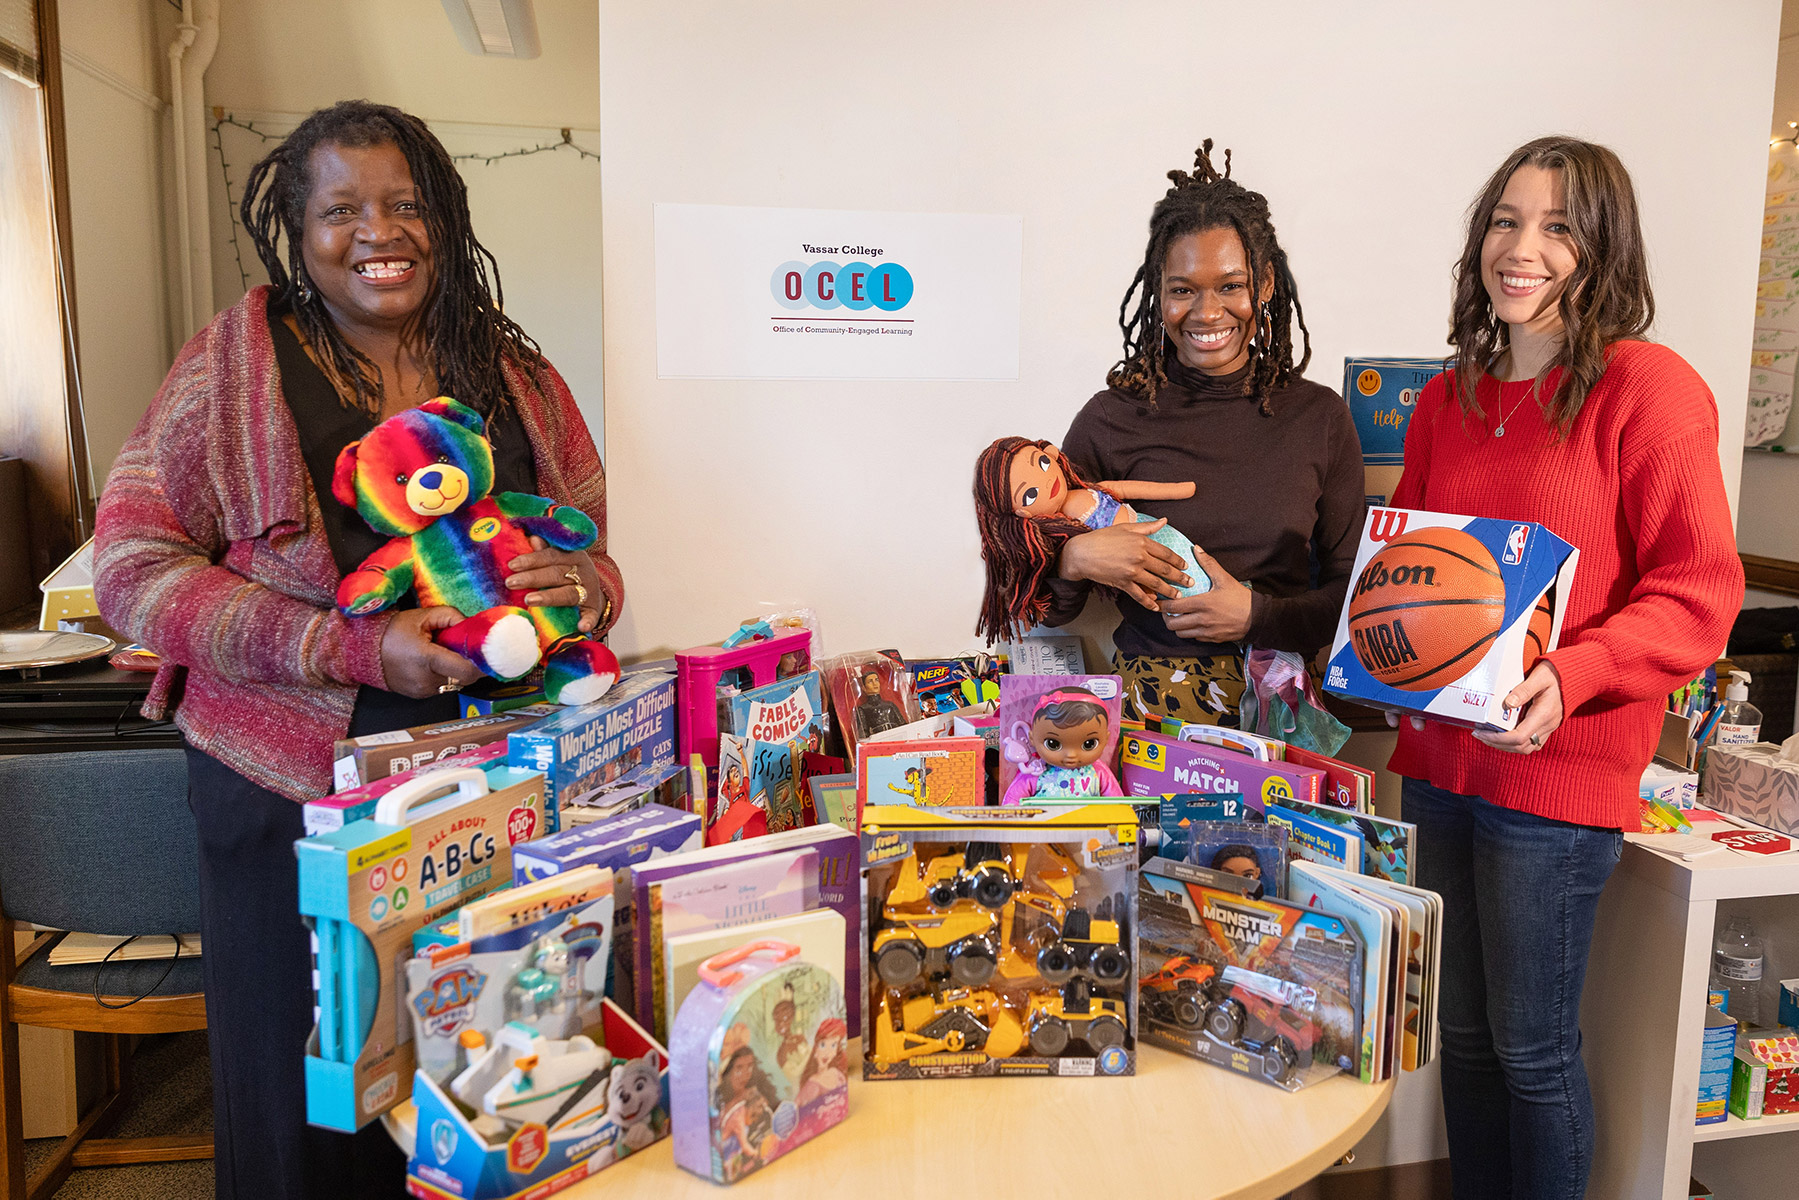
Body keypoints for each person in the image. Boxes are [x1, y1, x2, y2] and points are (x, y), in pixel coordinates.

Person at [93, 101, 622, 1200]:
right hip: (291, 790)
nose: (378, 231)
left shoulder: (511, 370)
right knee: (313, 1101)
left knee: (490, 1070)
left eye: (404, 204)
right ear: (295, 224)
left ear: (443, 217)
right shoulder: (231, 367)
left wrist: (584, 588)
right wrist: (349, 646)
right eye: (341, 210)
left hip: (498, 794)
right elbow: (131, 568)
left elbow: (594, 551)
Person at [1388, 136, 1741, 1200]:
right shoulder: (1447, 398)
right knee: (1458, 1035)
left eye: (1556, 227)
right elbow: (1412, 572)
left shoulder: (1649, 390)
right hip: (1441, 767)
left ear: (1602, 250)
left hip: (1555, 775)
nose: (1521, 248)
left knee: (1532, 1052)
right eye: (1504, 220)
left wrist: (1577, 673)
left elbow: (1696, 590)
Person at [1044, 140, 1364, 727]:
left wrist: (1256, 616)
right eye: (1183, 289)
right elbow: (1049, 609)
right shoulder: (1109, 420)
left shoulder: (1319, 418)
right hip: (1146, 719)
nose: (1207, 312)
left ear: (1264, 285)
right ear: (1158, 294)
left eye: (1230, 286)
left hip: (1277, 718)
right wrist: (1073, 558)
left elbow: (1354, 598)